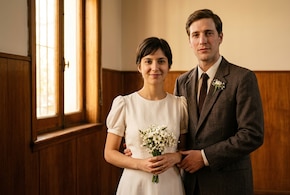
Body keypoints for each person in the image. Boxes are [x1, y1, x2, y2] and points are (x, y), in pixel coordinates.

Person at [173, 9, 264, 195]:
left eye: (208, 33)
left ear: (220, 37)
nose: (202, 40)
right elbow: (175, 129)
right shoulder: (182, 82)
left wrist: (205, 157)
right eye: (195, 35)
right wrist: (142, 148)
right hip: (189, 183)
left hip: (228, 184)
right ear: (189, 41)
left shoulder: (242, 78)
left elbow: (252, 134)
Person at [104, 37, 188, 195]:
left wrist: (176, 157)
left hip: (169, 183)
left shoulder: (179, 105)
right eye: (148, 61)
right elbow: (109, 152)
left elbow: (185, 148)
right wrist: (139, 164)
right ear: (139, 66)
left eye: (161, 61)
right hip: (135, 183)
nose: (155, 67)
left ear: (169, 66)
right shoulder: (125, 103)